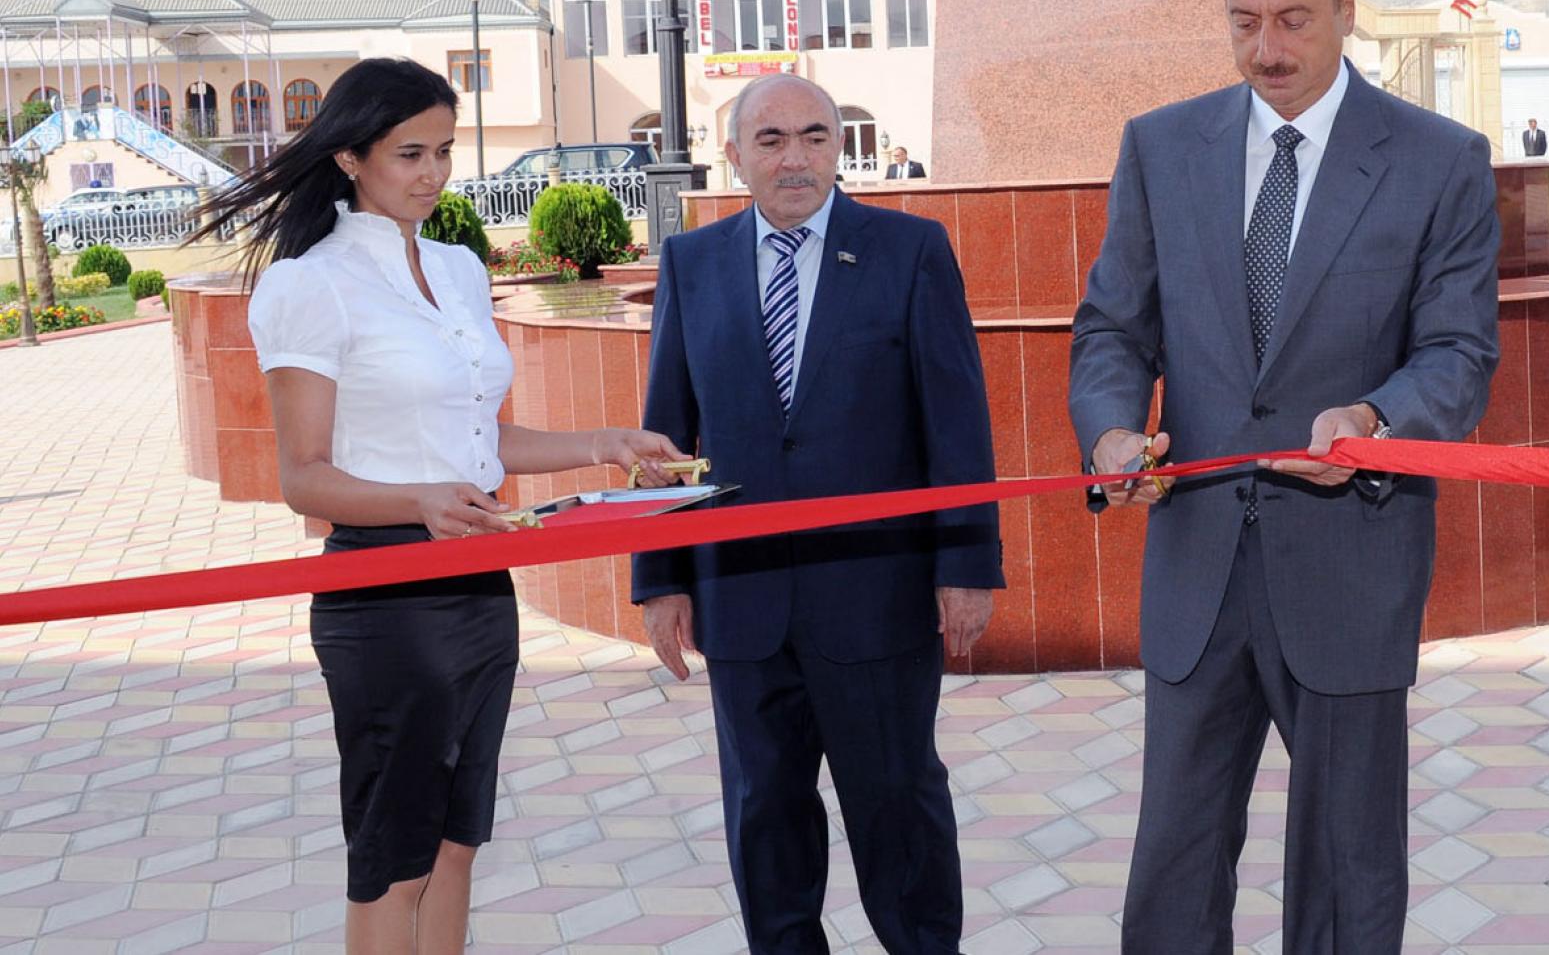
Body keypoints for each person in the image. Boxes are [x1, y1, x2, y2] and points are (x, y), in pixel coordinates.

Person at [1071, 0, 1500, 954]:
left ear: (1347, 11)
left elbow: (1457, 353)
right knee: (1170, 870)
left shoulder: (1438, 161)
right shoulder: (1159, 147)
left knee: (1347, 875)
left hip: (1350, 565)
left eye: (1294, 20)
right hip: (1195, 570)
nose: (1266, 48)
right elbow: (1111, 329)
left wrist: (1371, 418)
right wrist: (1114, 434)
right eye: (1242, 20)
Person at [192, 57, 688, 954]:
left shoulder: (459, 271)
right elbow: (302, 475)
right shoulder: (311, 283)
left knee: (459, 843)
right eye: (408, 153)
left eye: (444, 151)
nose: (431, 174)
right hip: (385, 597)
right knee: (397, 856)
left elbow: (478, 442)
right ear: (349, 159)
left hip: (478, 592)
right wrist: (418, 500)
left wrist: (606, 443)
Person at [633, 73, 1001, 954]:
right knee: (765, 819)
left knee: (900, 812)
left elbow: (957, 422)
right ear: (733, 155)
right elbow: (664, 439)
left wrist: (967, 565)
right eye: (769, 140)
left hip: (876, 603)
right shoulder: (692, 263)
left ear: (841, 146)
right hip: (743, 606)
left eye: (813, 136)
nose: (793, 157)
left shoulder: (911, 251)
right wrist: (661, 580)